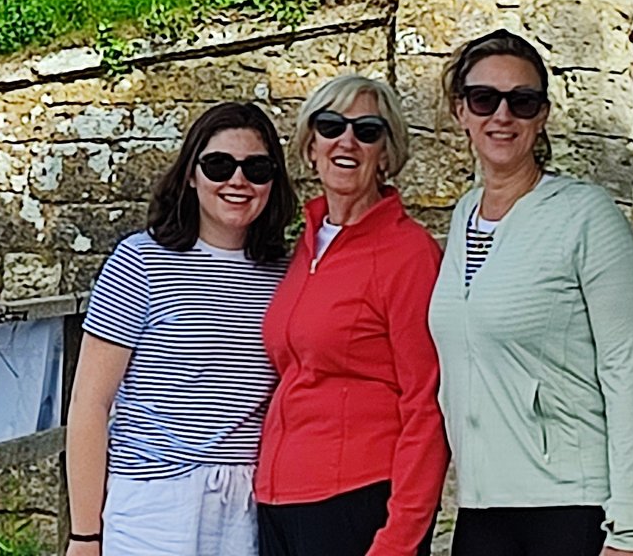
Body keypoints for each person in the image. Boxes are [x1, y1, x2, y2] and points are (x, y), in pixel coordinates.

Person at [426, 29, 633, 556]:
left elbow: (624, 370)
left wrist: (631, 526)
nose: (501, 115)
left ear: (543, 115)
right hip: (482, 508)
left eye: (521, 101)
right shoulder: (464, 216)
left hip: (569, 508)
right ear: (461, 111)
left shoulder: (586, 217)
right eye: (484, 99)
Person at [66, 101, 293, 556]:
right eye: (218, 165)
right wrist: (85, 534)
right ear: (191, 174)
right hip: (153, 503)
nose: (238, 180)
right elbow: (90, 404)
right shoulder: (141, 261)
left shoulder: (287, 274)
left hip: (246, 503)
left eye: (257, 168)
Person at [254, 74, 446, 556]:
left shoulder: (409, 253)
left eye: (367, 130)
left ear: (386, 152)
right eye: (331, 125)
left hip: (357, 500)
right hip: (279, 500)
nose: (347, 140)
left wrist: (401, 538)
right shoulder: (306, 247)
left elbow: (427, 403)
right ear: (310, 145)